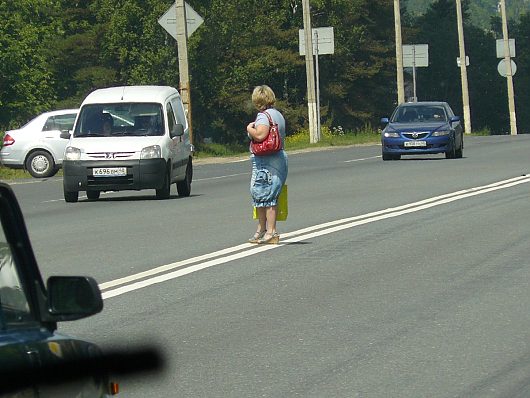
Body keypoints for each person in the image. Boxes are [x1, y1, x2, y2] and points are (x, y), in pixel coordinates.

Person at [246, 85, 288, 244]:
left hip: (267, 159)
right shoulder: (278, 115)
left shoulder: (263, 116)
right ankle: (262, 229)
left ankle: (270, 231)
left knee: (266, 195)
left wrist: (249, 128)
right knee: (262, 194)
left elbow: (260, 135)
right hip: (278, 157)